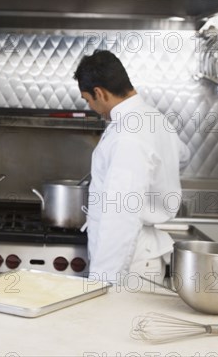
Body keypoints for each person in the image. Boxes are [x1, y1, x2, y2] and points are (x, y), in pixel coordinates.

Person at [73, 50, 190, 284]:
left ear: (99, 93)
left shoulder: (128, 134)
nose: (93, 108)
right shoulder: (153, 118)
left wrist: (103, 282)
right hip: (140, 255)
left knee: (115, 319)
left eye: (88, 101)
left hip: (130, 263)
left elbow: (122, 213)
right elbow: (183, 156)